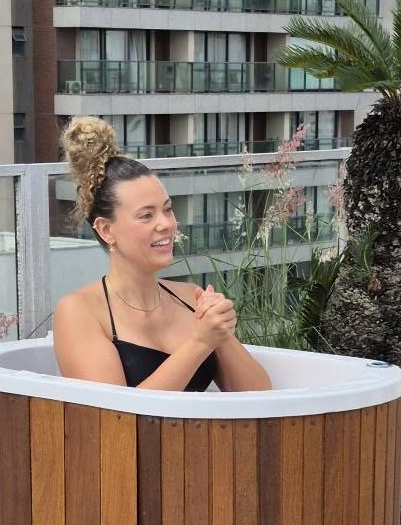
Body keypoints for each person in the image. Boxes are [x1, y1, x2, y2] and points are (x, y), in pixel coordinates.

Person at [53, 117, 272, 392]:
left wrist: (222, 333)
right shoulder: (79, 311)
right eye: (146, 215)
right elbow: (116, 418)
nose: (167, 224)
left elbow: (258, 395)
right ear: (106, 230)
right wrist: (201, 342)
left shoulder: (189, 297)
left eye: (167, 209)